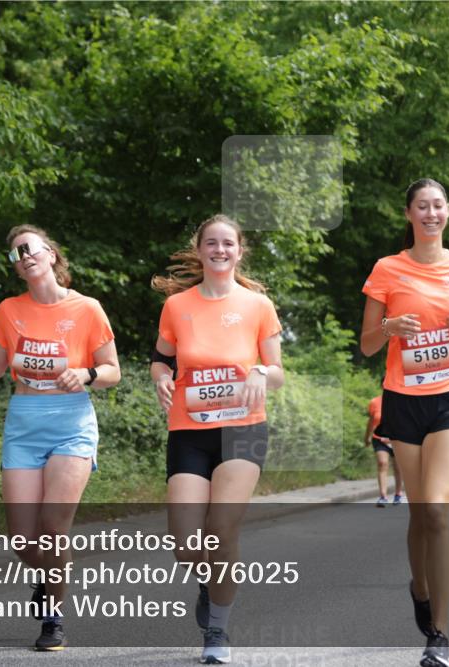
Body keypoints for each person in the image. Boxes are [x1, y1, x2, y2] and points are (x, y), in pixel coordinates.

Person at [0, 225, 120, 651]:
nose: (24, 256)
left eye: (29, 249)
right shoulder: (9, 310)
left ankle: (53, 617)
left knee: (53, 530)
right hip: (24, 423)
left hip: (71, 423)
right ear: (17, 268)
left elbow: (112, 370)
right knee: (23, 540)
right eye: (16, 254)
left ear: (50, 254)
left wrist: (87, 374)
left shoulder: (88, 308)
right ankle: (51, 577)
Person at [360, 178, 449, 667]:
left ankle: (439, 633)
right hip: (402, 400)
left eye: (438, 205)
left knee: (437, 510)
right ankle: (419, 588)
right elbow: (369, 344)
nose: (431, 213)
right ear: (409, 214)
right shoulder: (387, 269)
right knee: (418, 514)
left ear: (447, 212)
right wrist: (389, 328)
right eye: (422, 206)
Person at [150, 214, 283, 665]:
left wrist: (261, 372)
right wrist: (160, 378)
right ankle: (210, 583)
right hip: (189, 431)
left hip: (243, 428)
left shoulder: (257, 306)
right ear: (200, 249)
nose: (220, 249)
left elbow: (278, 372)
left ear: (239, 251)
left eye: (228, 243)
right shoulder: (177, 306)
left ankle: (218, 630)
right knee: (187, 546)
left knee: (222, 531)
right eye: (212, 242)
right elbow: (161, 360)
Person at [367, 393, 405, 507]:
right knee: (382, 463)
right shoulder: (375, 402)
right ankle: (383, 496)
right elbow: (372, 421)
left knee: (398, 467)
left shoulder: (402, 401)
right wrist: (367, 437)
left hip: (397, 439)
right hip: (379, 439)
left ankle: (398, 494)